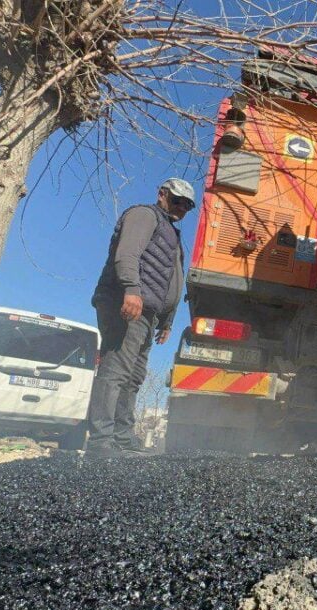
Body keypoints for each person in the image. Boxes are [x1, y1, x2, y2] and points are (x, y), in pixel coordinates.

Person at [86, 178, 194, 457]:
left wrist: (167, 320)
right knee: (116, 371)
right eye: (178, 200)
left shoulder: (171, 232)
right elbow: (128, 253)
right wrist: (131, 290)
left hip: (149, 314)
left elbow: (173, 279)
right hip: (126, 303)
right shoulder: (144, 215)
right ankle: (100, 442)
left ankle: (122, 438)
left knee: (133, 377)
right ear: (162, 194)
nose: (182, 208)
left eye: (188, 205)